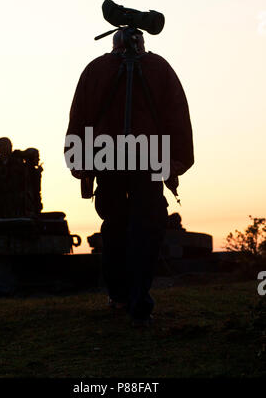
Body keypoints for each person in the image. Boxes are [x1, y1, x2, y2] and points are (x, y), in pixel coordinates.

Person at [65, 29, 194, 326]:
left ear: (113, 44)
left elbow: (79, 117)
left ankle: (121, 296)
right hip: (149, 155)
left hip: (107, 156)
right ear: (141, 43)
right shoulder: (159, 67)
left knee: (115, 225)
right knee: (144, 228)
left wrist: (79, 161)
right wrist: (176, 161)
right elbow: (177, 115)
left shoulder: (95, 69)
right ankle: (137, 300)